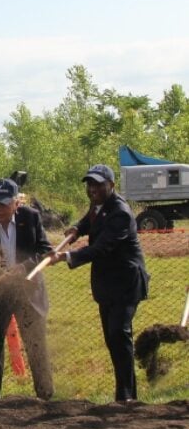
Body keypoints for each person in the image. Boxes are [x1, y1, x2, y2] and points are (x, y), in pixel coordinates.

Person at [46, 165, 148, 402]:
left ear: (111, 185)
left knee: (119, 334)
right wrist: (77, 229)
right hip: (107, 285)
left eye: (98, 184)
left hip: (126, 283)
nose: (93, 189)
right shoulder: (99, 204)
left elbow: (102, 248)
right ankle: (124, 393)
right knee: (112, 338)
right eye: (90, 184)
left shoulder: (120, 213)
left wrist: (66, 257)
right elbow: (90, 219)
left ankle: (127, 396)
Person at [0, 178, 54, 399]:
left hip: (27, 292)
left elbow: (45, 250)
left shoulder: (31, 218)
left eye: (3, 204)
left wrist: (24, 267)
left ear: (16, 203)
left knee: (36, 345)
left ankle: (46, 397)